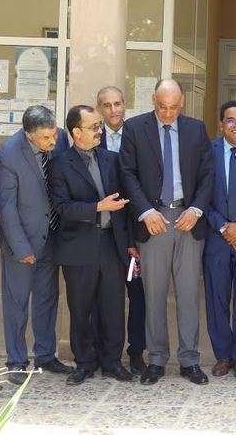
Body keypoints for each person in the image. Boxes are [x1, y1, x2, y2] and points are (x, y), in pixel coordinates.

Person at [119, 79, 213, 386]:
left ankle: (189, 360)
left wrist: (196, 209)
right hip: (153, 220)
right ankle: (156, 360)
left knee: (188, 294)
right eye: (162, 107)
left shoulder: (196, 129)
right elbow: (127, 174)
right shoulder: (135, 128)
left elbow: (208, 174)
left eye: (174, 107)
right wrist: (145, 211)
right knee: (154, 294)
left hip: (188, 219)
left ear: (182, 102)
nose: (168, 113)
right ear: (153, 100)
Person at [48, 105, 134, 385]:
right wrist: (98, 207)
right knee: (80, 308)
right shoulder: (59, 164)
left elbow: (126, 205)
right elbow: (62, 207)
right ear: (76, 132)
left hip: (111, 244)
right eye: (94, 126)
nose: (100, 131)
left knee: (113, 307)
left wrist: (130, 243)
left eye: (99, 126)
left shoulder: (112, 159)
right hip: (78, 246)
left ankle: (112, 362)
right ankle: (84, 362)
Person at [0, 106, 73, 385]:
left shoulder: (59, 139)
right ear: (29, 135)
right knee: (16, 303)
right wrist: (22, 249)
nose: (53, 142)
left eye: (54, 135)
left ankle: (45, 355)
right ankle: (16, 361)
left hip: (50, 237)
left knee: (47, 299)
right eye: (45, 138)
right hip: (22, 242)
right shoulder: (8, 155)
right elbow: (6, 209)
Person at [203, 101, 236, 380]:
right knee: (217, 298)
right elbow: (200, 195)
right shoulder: (207, 152)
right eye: (230, 120)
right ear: (221, 124)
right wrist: (225, 227)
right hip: (216, 237)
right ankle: (223, 355)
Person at [94, 86, 146, 375]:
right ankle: (102, 353)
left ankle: (136, 351)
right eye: (107, 105)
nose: (113, 110)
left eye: (117, 104)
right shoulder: (92, 138)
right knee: (104, 297)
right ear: (99, 109)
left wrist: (135, 236)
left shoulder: (138, 134)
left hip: (135, 230)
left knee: (138, 295)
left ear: (125, 104)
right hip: (103, 233)